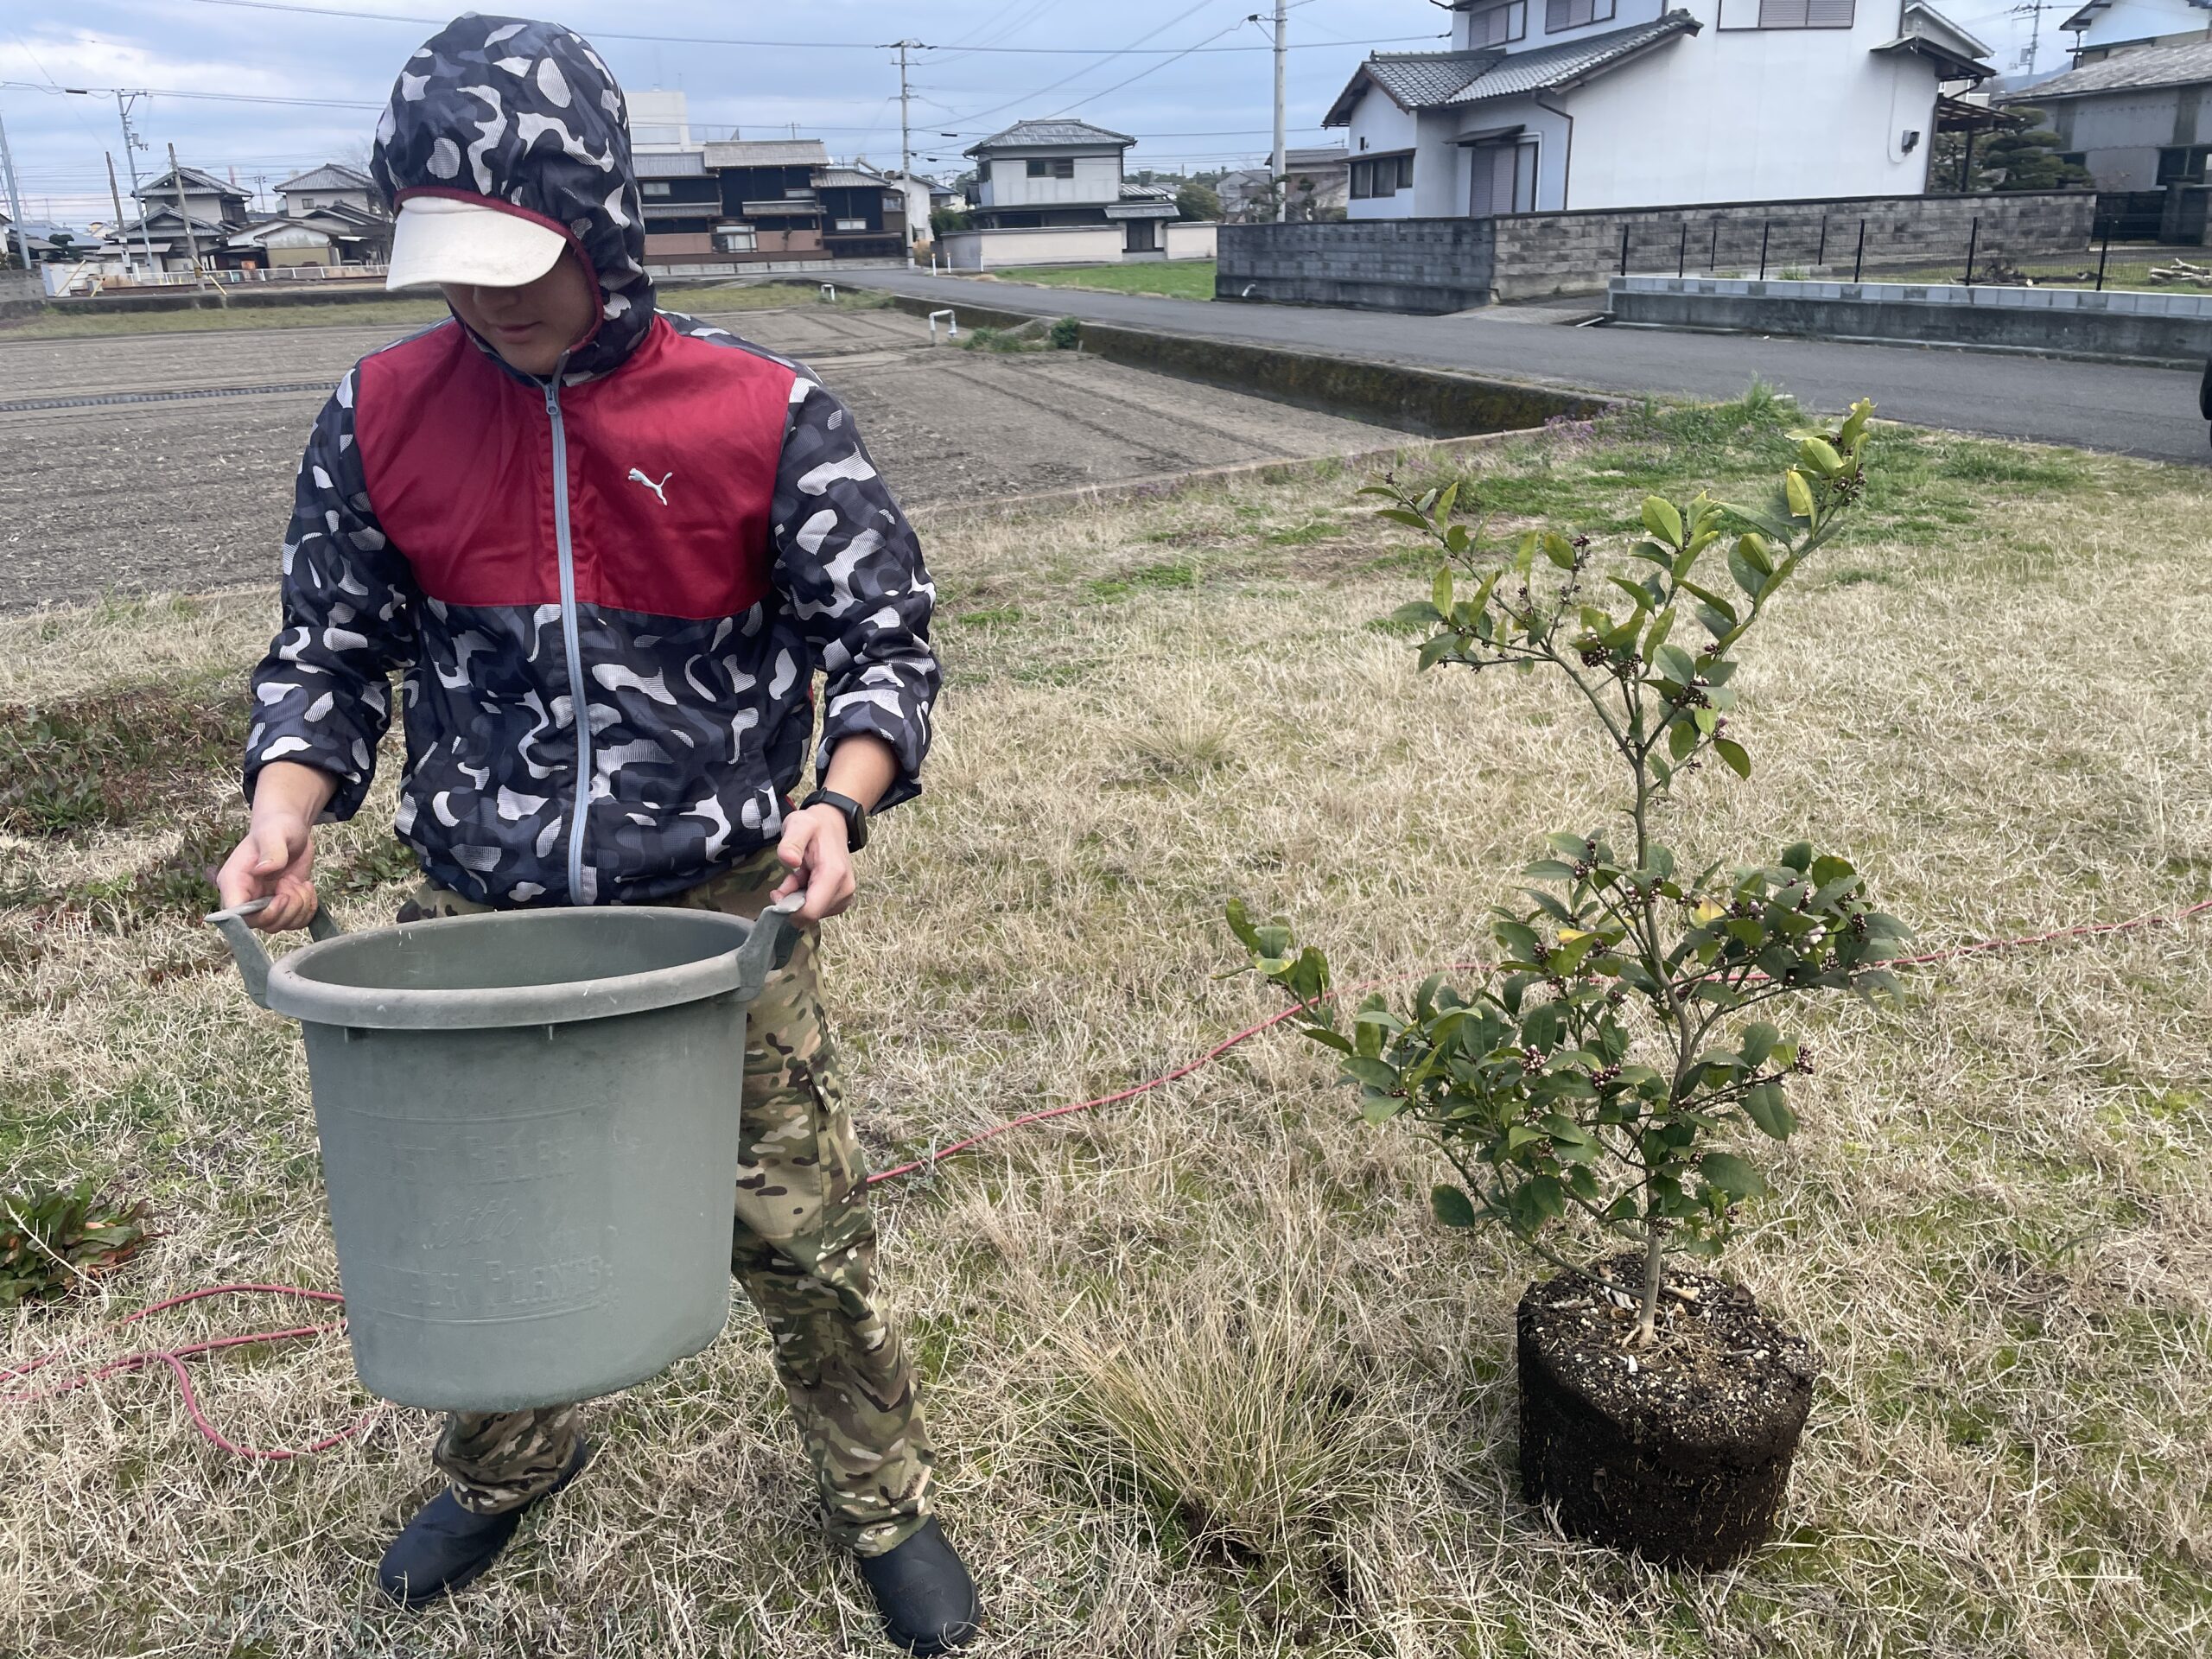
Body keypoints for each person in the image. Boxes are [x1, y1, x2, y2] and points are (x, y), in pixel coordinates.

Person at [213, 15, 976, 1654]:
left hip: (714, 919)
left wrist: (840, 799)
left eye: (518, 257)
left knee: (798, 1230)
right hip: (476, 916)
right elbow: (327, 653)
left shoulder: (762, 411)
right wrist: (284, 812)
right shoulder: (379, 412)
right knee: (482, 1212)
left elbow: (885, 641)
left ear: (598, 213)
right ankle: (510, 1459)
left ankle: (882, 1497)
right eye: (452, 263)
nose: (487, 300)